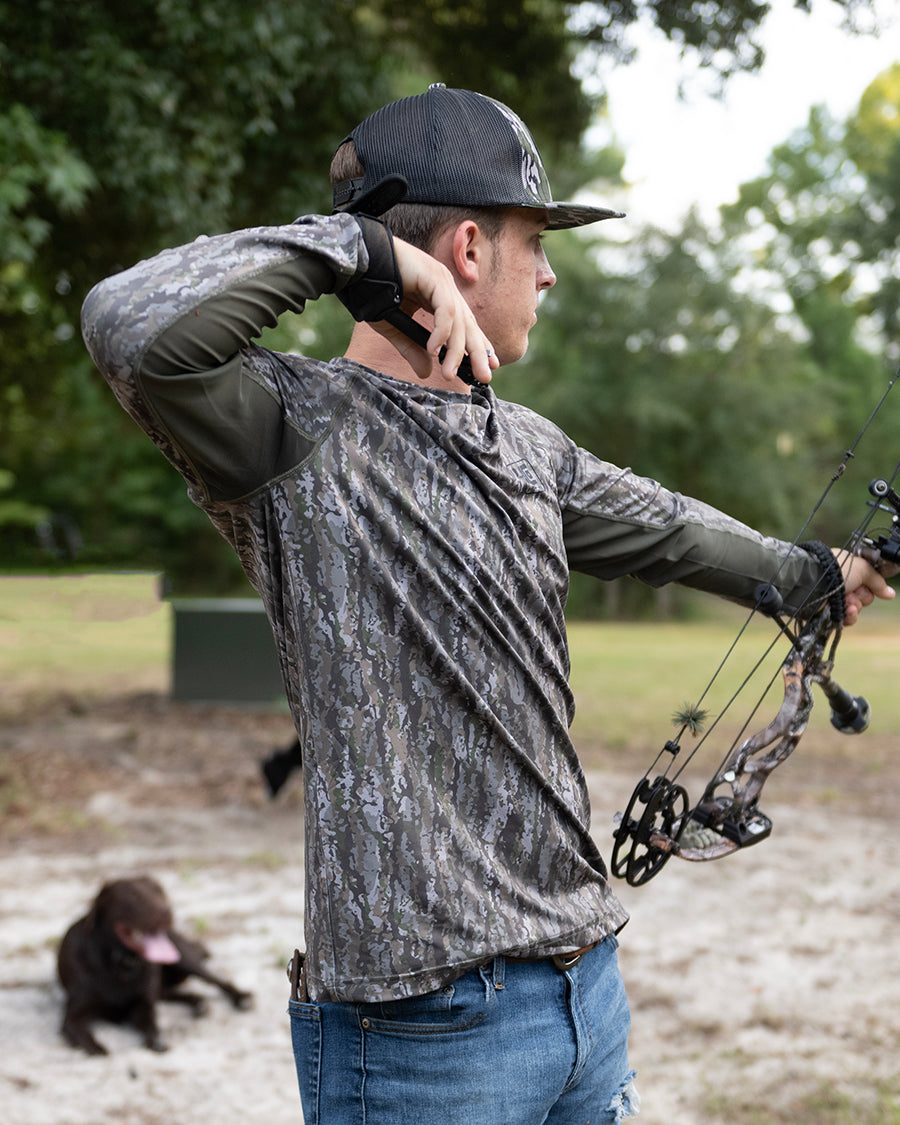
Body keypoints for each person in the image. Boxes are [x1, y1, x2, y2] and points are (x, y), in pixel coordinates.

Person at [81, 84, 892, 1124]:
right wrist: (372, 254)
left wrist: (823, 576)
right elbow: (129, 323)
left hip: (584, 992)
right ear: (467, 248)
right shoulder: (293, 430)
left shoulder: (529, 449)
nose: (549, 271)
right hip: (422, 1033)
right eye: (534, 240)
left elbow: (677, 532)